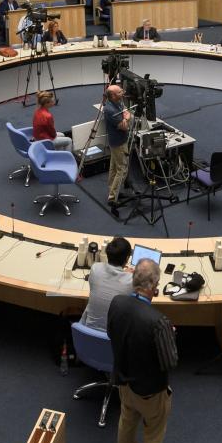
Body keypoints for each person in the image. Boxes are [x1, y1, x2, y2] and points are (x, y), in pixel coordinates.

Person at [108, 259, 179, 443]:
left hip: (123, 382)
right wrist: (170, 337)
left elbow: (111, 333)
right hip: (150, 392)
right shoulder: (159, 322)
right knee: (153, 436)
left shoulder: (116, 303)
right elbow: (170, 362)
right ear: (153, 287)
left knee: (127, 422)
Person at [80, 237, 133, 330]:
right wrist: (127, 274)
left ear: (107, 254)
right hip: (114, 339)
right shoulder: (131, 280)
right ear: (127, 258)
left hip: (87, 332)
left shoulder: (95, 269)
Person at [104, 84, 132, 214]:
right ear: (114, 95)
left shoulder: (118, 102)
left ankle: (112, 192)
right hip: (118, 142)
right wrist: (127, 117)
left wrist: (126, 115)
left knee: (114, 167)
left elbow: (125, 110)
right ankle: (113, 198)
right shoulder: (110, 109)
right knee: (122, 168)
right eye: (121, 91)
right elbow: (124, 126)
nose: (123, 92)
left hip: (118, 141)